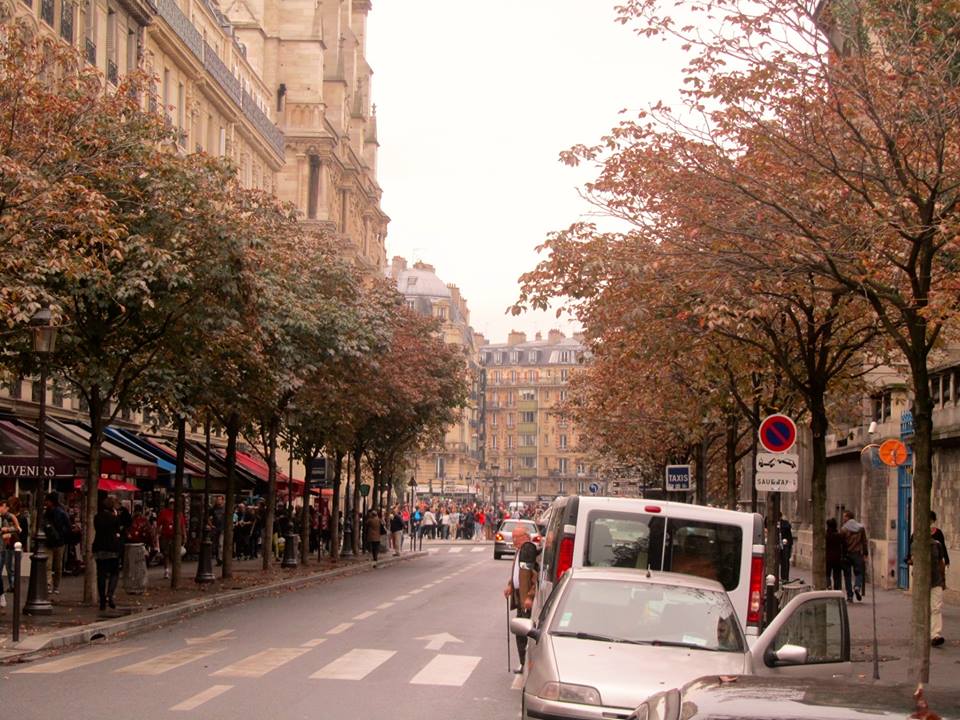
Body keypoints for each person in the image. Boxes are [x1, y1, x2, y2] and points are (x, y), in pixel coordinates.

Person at [502, 526, 539, 672]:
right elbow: (518, 574)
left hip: (526, 600)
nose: (513, 540)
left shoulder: (528, 551)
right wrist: (510, 586)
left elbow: (535, 577)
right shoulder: (520, 551)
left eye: (516, 537)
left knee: (525, 632)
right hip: (519, 596)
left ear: (524, 536)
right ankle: (523, 663)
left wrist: (530, 597)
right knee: (520, 631)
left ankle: (527, 663)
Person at [92, 497, 122, 611]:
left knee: (101, 574)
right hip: (112, 548)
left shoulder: (97, 517)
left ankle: (102, 600)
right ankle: (110, 593)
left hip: (99, 547)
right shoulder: (114, 518)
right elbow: (117, 529)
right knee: (114, 572)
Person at [43, 492, 72, 595]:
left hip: (55, 541)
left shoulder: (58, 513)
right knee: (54, 565)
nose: (45, 503)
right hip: (57, 542)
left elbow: (67, 527)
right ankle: (52, 585)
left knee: (53, 565)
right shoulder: (59, 512)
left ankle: (51, 585)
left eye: (47, 501)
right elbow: (68, 527)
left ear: (51, 501)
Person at [840, 510, 868, 602]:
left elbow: (842, 543)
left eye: (844, 516)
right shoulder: (861, 528)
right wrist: (865, 553)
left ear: (848, 517)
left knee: (847, 575)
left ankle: (850, 596)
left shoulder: (843, 529)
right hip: (857, 553)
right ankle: (857, 586)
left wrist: (842, 555)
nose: (843, 518)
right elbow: (864, 542)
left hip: (847, 554)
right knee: (859, 573)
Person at [156, 497, 185, 579]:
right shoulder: (164, 513)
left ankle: (175, 571)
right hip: (165, 535)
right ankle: (166, 570)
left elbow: (182, 525)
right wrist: (156, 534)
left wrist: (184, 535)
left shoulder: (179, 513)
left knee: (175, 554)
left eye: (173, 504)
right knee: (166, 553)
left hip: (176, 536)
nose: (172, 505)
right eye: (171, 504)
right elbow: (159, 524)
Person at [0, 498, 21, 607]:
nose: (1, 509)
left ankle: (2, 597)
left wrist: (7, 530)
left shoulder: (5, 516)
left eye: (2, 506)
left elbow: (17, 527)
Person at [825, 517, 845, 592]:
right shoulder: (839, 536)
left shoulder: (825, 536)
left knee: (827, 573)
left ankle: (828, 585)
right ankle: (837, 588)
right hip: (837, 558)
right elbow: (843, 545)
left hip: (827, 557)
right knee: (837, 574)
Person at [778, 513, 793, 582]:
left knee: (785, 561)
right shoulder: (785, 524)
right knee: (784, 561)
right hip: (782, 544)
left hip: (784, 545)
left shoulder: (785, 525)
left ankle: (785, 577)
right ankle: (784, 577)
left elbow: (789, 537)